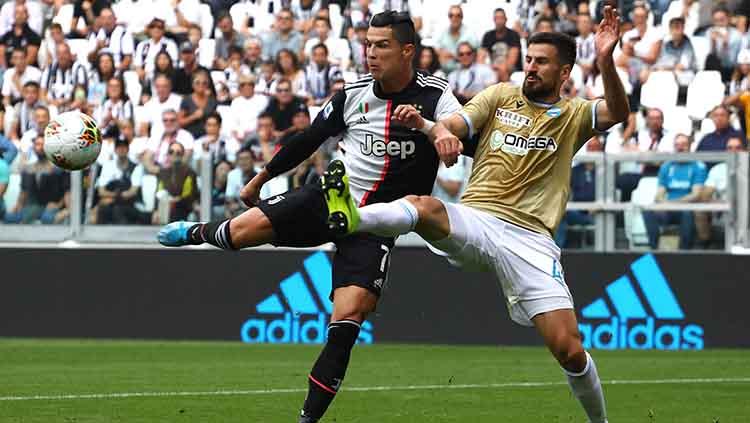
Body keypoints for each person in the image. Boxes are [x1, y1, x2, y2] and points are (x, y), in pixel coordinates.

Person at [318, 8, 629, 423]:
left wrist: (606, 60)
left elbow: (618, 112)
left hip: (531, 240)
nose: (531, 68)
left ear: (565, 71)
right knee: (425, 206)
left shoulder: (573, 115)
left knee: (569, 350)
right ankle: (352, 218)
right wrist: (434, 129)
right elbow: (457, 122)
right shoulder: (500, 96)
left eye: (541, 62)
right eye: (529, 59)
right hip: (479, 220)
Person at [157, 11, 464, 423]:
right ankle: (198, 231)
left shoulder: (437, 95)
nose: (370, 53)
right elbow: (307, 140)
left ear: (408, 50)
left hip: (377, 222)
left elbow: (460, 130)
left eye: (382, 45)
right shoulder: (352, 94)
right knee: (240, 232)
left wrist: (439, 133)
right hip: (326, 198)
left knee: (350, 316)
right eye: (368, 44)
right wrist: (260, 179)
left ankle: (308, 418)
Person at [642, 133, 706, 250]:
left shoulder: (698, 166)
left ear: (690, 146)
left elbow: (696, 195)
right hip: (669, 208)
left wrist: (674, 203)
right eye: (677, 145)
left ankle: (684, 252)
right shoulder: (666, 166)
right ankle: (654, 249)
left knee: (687, 213)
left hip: (687, 207)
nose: (680, 148)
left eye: (683, 144)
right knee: (648, 212)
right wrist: (663, 202)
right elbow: (660, 193)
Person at [96, 138, 143, 224]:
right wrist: (116, 195)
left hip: (129, 204)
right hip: (111, 203)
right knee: (102, 208)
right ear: (115, 150)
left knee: (118, 210)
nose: (121, 149)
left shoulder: (136, 167)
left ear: (128, 149)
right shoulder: (107, 165)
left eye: (124, 147)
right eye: (118, 147)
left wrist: (113, 197)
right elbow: (101, 191)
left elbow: (133, 192)